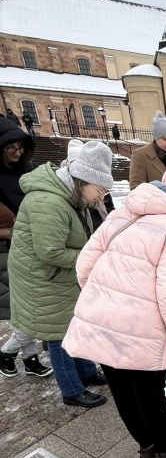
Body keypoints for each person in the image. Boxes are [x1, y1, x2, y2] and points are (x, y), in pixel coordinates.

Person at [63, 180, 166, 458]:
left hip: (103, 318)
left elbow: (83, 266)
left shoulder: (118, 216)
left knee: (121, 388)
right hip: (142, 324)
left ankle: (146, 444)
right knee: (150, 390)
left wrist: (104, 301)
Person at [7, 141, 114, 407]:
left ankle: (87, 373)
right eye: (99, 189)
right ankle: (71, 390)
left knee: (77, 324)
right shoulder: (48, 202)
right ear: (83, 180)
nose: (101, 196)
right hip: (43, 278)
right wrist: (91, 258)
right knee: (60, 335)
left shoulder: (73, 196)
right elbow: (50, 252)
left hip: (61, 275)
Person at [0, 117, 52, 378]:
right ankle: (8, 352)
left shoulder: (26, 168)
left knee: (29, 309)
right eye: (11, 148)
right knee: (28, 310)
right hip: (7, 251)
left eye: (21, 147)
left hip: (31, 243)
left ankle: (29, 359)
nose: (17, 152)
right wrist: (14, 230)